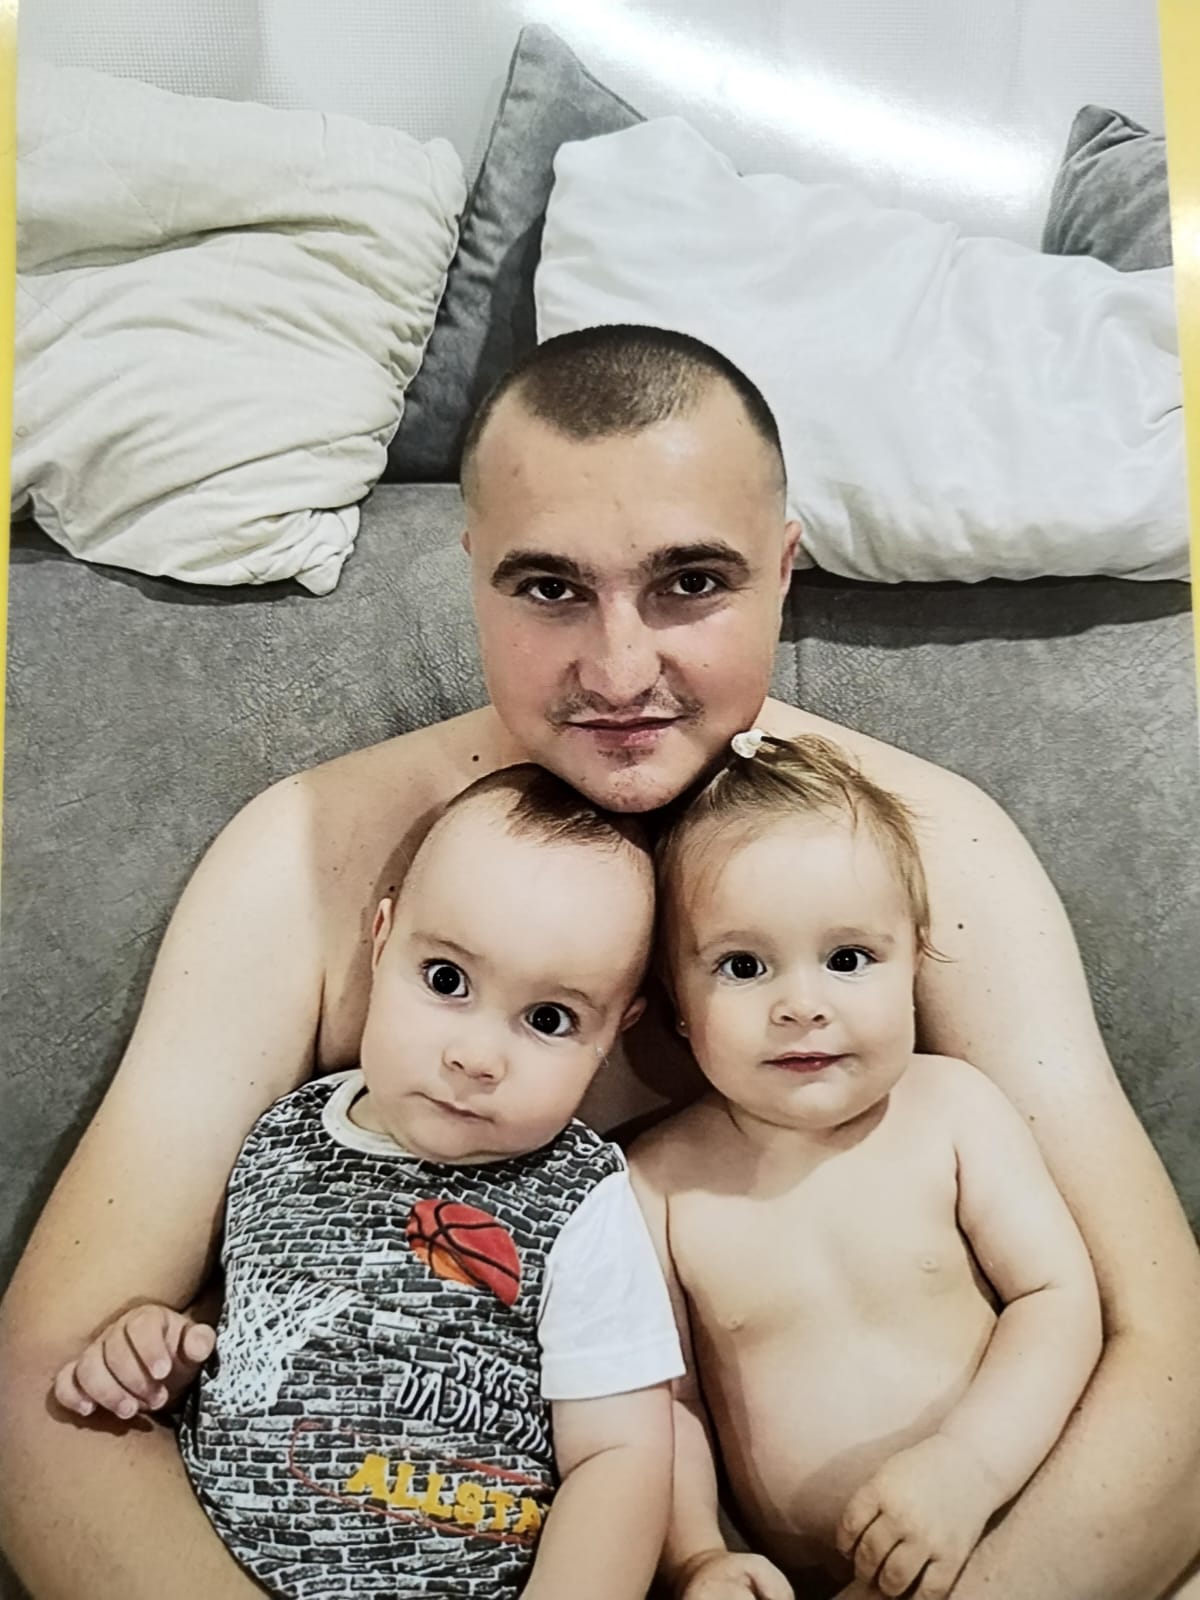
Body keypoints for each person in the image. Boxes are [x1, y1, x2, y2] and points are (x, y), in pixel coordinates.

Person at [1, 326, 1198, 1600]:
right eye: (550, 588)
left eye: (692, 582)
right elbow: (46, 1385)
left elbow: (1170, 1350)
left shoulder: (933, 849)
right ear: (474, 575)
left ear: (784, 571)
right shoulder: (304, 864)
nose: (621, 670)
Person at [49, 765, 681, 1600]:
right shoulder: (281, 1135)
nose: (477, 1057)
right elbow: (251, 1315)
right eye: (447, 980)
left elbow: (621, 1455)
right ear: (382, 943)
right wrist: (161, 1352)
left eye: (548, 1019)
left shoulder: (579, 1198)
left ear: (614, 1033)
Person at [630, 731, 1103, 1600]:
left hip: (1025, 1526)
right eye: (743, 966)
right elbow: (663, 1404)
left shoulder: (953, 1110)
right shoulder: (657, 1184)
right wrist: (698, 1555)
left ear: (915, 960)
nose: (801, 1005)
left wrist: (969, 1466)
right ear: (675, 1001)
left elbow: (1058, 1297)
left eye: (848, 960)